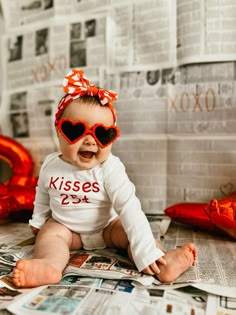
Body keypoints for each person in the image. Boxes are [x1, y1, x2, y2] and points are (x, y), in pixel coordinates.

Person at [12, 69, 197, 288]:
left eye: (102, 134)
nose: (90, 141)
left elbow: (129, 207)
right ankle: (49, 266)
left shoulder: (110, 168)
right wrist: (39, 219)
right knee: (49, 236)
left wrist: (145, 249)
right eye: (76, 130)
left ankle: (162, 261)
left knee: (130, 233)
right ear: (59, 131)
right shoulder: (51, 166)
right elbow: (43, 194)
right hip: (68, 230)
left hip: (108, 228)